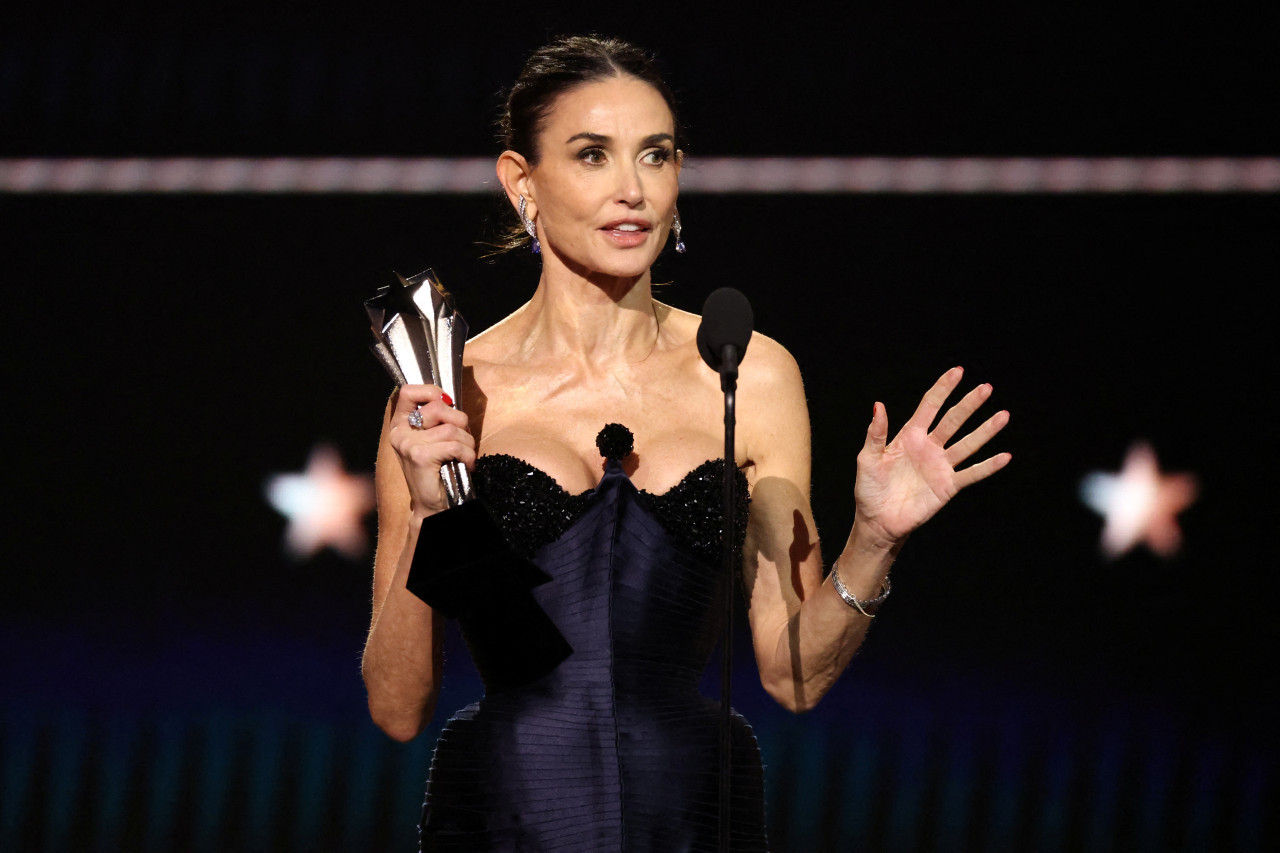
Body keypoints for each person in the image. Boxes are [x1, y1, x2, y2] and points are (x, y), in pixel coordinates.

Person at [360, 35, 1010, 852]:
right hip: (504, 814)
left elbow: (791, 672)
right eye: (592, 155)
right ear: (521, 181)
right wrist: (430, 515)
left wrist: (874, 541)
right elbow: (396, 705)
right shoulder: (453, 392)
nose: (632, 190)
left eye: (656, 156)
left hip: (695, 813)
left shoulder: (749, 373)